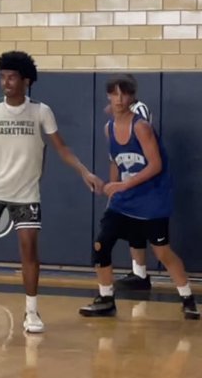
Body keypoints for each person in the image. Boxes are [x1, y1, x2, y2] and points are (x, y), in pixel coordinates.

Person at [0, 51, 103, 335]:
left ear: (26, 81)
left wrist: (84, 171)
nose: (5, 82)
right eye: (2, 77)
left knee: (29, 248)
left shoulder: (41, 111)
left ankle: (31, 311)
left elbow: (62, 148)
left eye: (11, 77)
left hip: (25, 191)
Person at [79, 74, 198, 320]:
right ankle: (105, 299)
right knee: (101, 245)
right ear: (108, 96)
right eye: (115, 93)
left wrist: (124, 185)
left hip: (152, 199)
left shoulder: (141, 127)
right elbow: (115, 161)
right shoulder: (108, 128)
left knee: (163, 253)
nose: (119, 99)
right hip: (124, 201)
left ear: (132, 97)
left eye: (125, 94)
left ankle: (187, 297)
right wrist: (112, 187)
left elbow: (155, 165)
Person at [104, 99, 155, 291]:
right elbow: (114, 161)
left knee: (154, 236)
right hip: (127, 179)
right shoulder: (112, 128)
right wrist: (114, 186)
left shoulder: (139, 115)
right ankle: (139, 273)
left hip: (143, 180)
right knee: (132, 229)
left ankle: (143, 274)